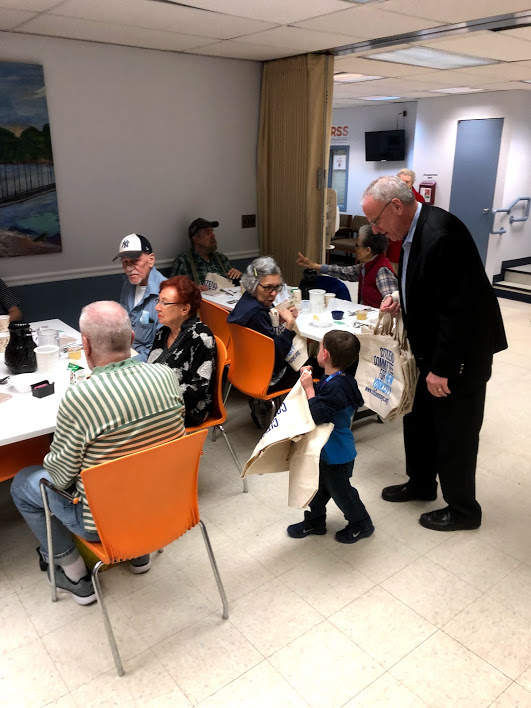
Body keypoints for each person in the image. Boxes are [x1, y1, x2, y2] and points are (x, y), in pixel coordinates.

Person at [11, 301, 185, 605]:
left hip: (104, 524)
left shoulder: (81, 398)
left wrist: (55, 454)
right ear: (132, 338)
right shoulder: (166, 376)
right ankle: (139, 554)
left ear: (86, 345)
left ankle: (76, 575)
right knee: (140, 456)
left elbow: (60, 478)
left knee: (25, 481)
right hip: (166, 506)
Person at [361, 176, 507, 532]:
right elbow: (426, 284)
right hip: (432, 349)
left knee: (455, 431)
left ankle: (463, 510)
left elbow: (459, 311)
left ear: (397, 206)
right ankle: (422, 483)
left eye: (377, 220)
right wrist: (402, 300)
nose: (376, 230)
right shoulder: (413, 230)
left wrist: (442, 368)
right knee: (420, 421)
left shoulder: (442, 234)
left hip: (459, 357)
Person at [287, 330, 373, 544]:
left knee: (342, 493)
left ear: (324, 354)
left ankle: (362, 524)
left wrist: (309, 390)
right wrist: (311, 384)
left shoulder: (336, 385)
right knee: (317, 489)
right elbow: (327, 401)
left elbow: (318, 415)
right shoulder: (339, 378)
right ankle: (315, 522)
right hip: (328, 451)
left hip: (337, 454)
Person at [227, 256, 300, 427]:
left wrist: (277, 322)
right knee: (311, 366)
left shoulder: (247, 302)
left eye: (277, 287)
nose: (274, 293)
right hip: (265, 376)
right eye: (268, 288)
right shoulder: (257, 314)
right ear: (253, 284)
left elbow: (263, 337)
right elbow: (277, 357)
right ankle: (296, 424)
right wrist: (289, 325)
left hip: (244, 369)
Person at [148, 276, 216, 427]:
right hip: (158, 401)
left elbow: (197, 390)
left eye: (164, 303)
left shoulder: (201, 337)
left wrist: (155, 402)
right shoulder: (163, 332)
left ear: (185, 309)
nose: (157, 308)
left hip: (188, 409)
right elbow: (150, 368)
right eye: (158, 301)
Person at [297, 225, 398, 308]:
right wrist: (314, 265)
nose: (355, 249)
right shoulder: (368, 265)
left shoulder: (382, 270)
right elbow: (345, 272)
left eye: (357, 246)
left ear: (368, 250)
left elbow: (393, 304)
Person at [114, 233, 165, 362]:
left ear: (151, 260)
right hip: (127, 351)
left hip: (149, 361)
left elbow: (159, 349)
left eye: (135, 261)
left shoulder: (165, 292)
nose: (129, 268)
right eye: (125, 263)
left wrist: (124, 363)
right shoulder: (128, 283)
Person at [170, 218, 242, 290]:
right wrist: (193, 290)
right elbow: (172, 291)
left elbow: (237, 285)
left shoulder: (221, 258)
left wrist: (239, 276)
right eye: (208, 233)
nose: (213, 236)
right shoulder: (183, 261)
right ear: (196, 239)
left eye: (212, 232)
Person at [387, 169, 426, 272]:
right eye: (401, 181)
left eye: (407, 182)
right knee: (392, 272)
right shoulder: (390, 197)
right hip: (393, 241)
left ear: (412, 183)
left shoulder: (419, 199)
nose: (403, 184)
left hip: (411, 241)